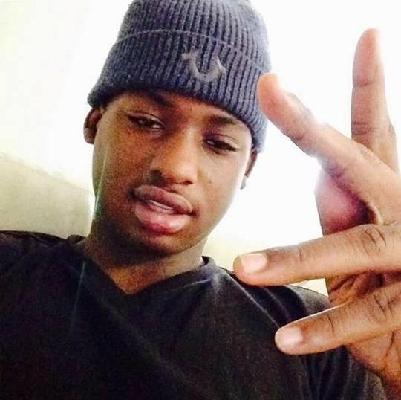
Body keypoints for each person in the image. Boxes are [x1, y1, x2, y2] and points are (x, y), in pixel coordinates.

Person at [0, 0, 400, 398]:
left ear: (248, 167)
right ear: (94, 122)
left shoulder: (315, 335)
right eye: (146, 122)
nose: (175, 167)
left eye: (219, 143)